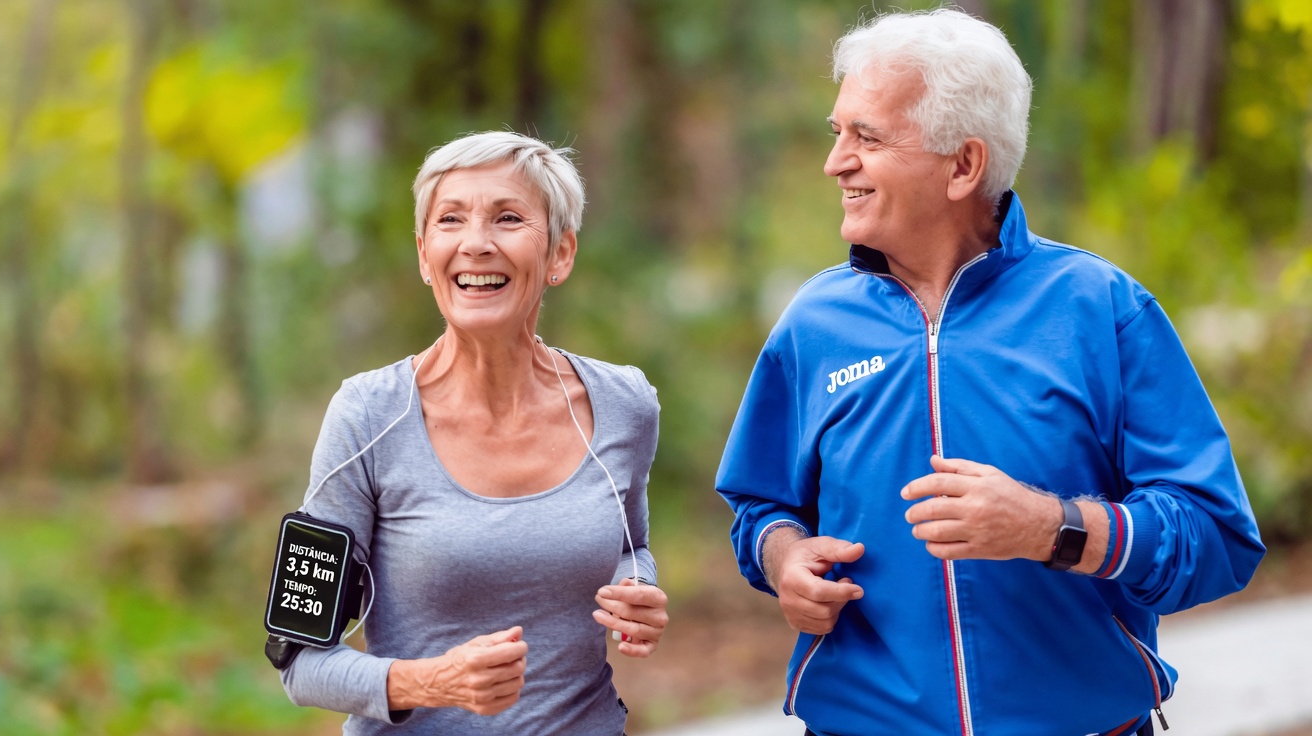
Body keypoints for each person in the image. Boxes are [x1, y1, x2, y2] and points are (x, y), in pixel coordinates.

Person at [715, 9, 1264, 736]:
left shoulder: (1102, 310)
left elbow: (1217, 537)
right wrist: (784, 560)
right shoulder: (813, 324)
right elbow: (759, 506)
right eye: (837, 132)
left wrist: (1052, 528)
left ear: (964, 165)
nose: (835, 161)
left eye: (866, 137)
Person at [280, 130, 669, 735]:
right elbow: (297, 658)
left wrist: (635, 589)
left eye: (508, 218)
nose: (476, 244)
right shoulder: (366, 417)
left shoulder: (624, 405)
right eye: (451, 220)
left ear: (560, 255)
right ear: (423, 254)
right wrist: (430, 681)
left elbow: (629, 543)